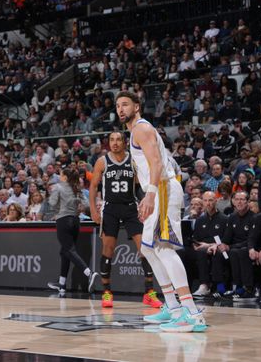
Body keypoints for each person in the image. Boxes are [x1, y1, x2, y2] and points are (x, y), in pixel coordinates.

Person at [115, 91, 206, 332]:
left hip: (163, 189)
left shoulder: (141, 129)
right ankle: (173, 307)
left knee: (164, 248)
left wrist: (152, 194)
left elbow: (156, 163)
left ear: (137, 107)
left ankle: (191, 312)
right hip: (156, 189)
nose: (120, 109)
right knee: (148, 248)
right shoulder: (135, 131)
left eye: (125, 104)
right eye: (117, 106)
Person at [89, 131, 161, 309]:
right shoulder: (102, 161)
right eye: (111, 140)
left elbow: (138, 186)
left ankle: (149, 292)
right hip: (110, 208)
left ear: (124, 142)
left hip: (130, 207)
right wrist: (92, 209)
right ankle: (107, 292)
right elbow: (93, 185)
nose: (114, 143)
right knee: (108, 249)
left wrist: (145, 200)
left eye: (118, 140)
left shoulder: (133, 160)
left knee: (144, 248)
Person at [47, 168, 100, 296]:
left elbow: (52, 204)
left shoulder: (59, 187)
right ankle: (62, 284)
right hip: (76, 222)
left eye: (60, 174)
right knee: (65, 251)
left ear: (65, 177)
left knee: (69, 250)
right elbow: (86, 205)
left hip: (63, 221)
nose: (59, 177)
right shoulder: (78, 189)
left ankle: (89, 273)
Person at [216, 191, 257, 300]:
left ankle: (246, 287)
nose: (239, 202)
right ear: (233, 202)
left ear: (248, 202)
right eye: (237, 199)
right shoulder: (232, 217)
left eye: (242, 199)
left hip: (249, 247)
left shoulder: (254, 217)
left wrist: (230, 247)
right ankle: (220, 287)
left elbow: (251, 239)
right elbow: (226, 238)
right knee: (218, 253)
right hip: (234, 248)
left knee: (239, 252)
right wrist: (222, 245)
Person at [187, 192, 228, 297]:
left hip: (220, 248)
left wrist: (211, 245)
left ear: (216, 201)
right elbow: (195, 239)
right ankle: (204, 285)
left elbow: (226, 239)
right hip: (203, 249)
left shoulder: (224, 219)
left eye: (210, 200)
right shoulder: (200, 220)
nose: (208, 203)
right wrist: (202, 246)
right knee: (196, 252)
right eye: (205, 200)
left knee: (217, 253)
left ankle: (220, 287)